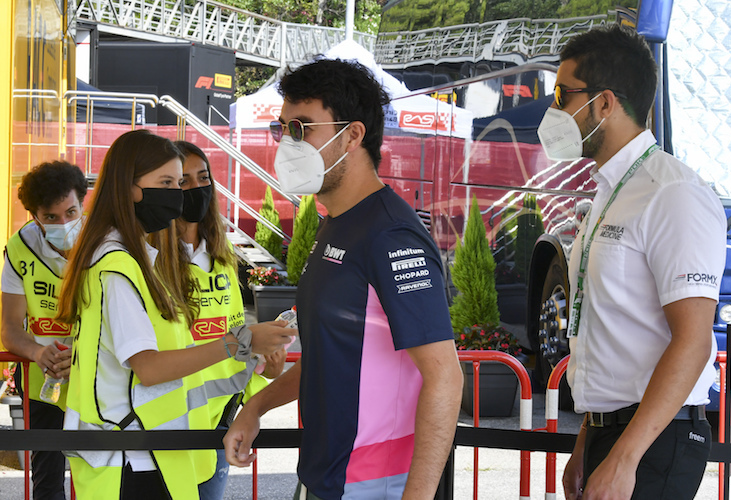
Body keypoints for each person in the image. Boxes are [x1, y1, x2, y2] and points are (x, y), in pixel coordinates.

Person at [223, 59, 463, 500]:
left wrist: (420, 493)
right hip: (328, 476)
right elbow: (334, 359)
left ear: (353, 135)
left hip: (375, 483)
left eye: (302, 129)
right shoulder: (336, 222)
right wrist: (255, 407)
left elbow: (445, 376)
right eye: (283, 129)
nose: (287, 143)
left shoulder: (390, 234)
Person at [535, 25, 726, 500]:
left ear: (604, 103)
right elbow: (613, 335)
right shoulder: (610, 191)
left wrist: (625, 458)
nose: (553, 109)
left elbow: (693, 342)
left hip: (655, 443)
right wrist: (588, 439)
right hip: (615, 433)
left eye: (562, 94)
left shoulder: (672, 192)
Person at [55, 130, 293, 500]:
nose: (179, 195)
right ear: (130, 188)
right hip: (133, 458)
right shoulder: (117, 267)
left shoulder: (132, 262)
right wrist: (243, 341)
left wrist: (251, 360)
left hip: (154, 450)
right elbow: (148, 368)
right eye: (168, 183)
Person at [174, 140, 287, 500]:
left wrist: (269, 367)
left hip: (218, 424)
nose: (195, 189)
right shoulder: (145, 261)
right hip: (163, 428)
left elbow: (240, 341)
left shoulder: (222, 258)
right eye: (182, 182)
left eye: (202, 177)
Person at [1, 161, 88, 500]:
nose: (64, 224)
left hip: (95, 379)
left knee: (100, 473)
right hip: (42, 382)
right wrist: (39, 352)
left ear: (83, 203)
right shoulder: (19, 248)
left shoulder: (104, 242)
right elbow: (9, 328)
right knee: (47, 481)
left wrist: (80, 358)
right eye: (50, 217)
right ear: (34, 215)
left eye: (71, 212)